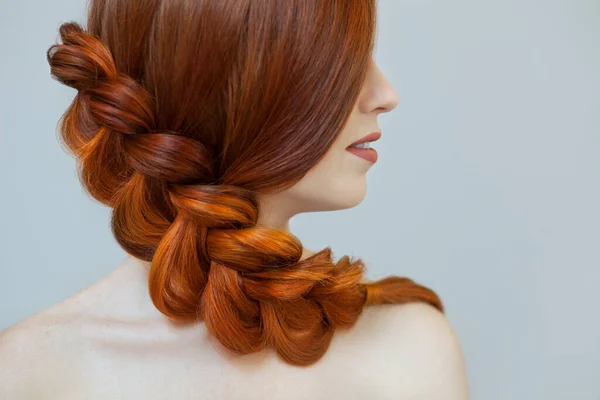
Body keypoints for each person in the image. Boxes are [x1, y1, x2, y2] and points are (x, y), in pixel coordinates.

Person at [0, 0, 469, 398]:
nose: (386, 94)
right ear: (231, 86)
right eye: (342, 65)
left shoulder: (409, 353)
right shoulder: (26, 375)